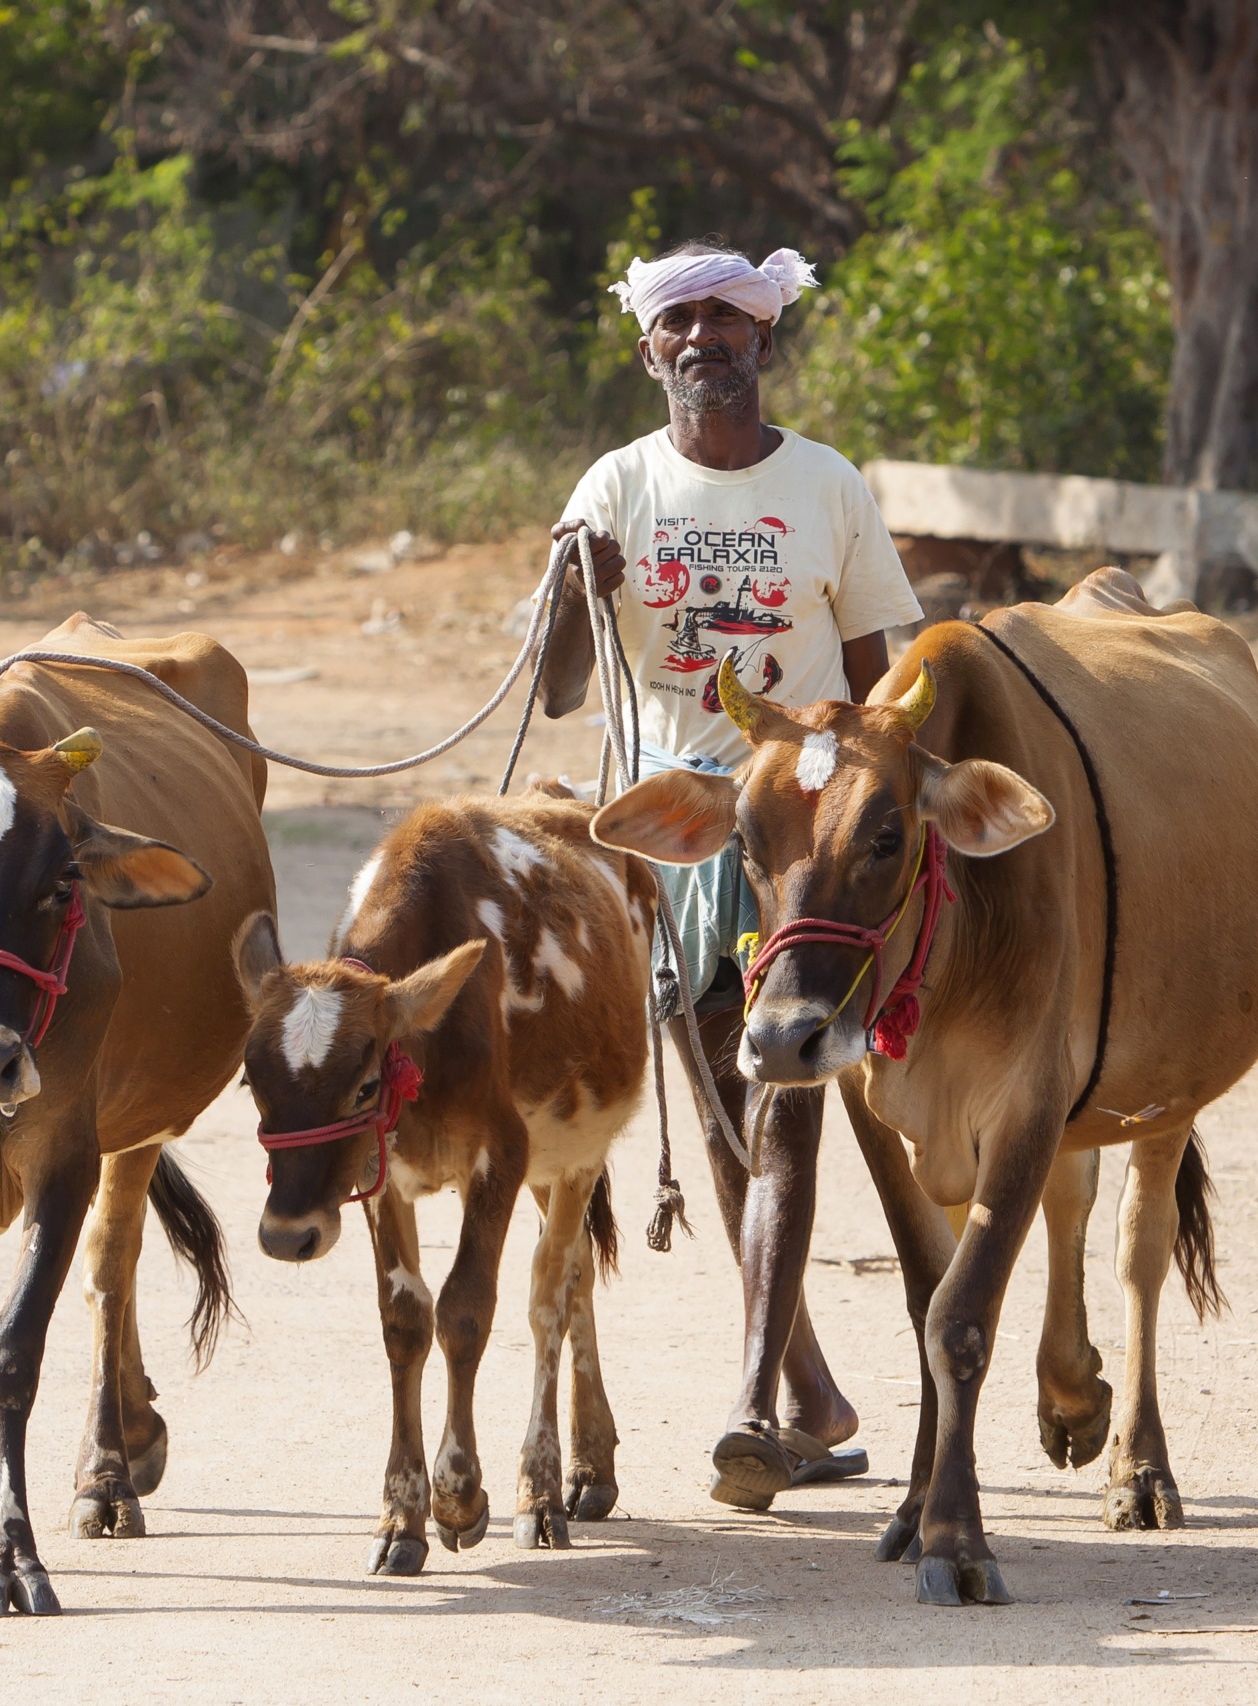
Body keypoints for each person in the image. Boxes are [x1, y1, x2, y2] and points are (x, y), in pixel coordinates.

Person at [539, 237, 921, 1510]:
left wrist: (881, 837)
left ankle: (760, 1400)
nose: (702, 336)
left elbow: (884, 685)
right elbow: (553, 691)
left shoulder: (825, 486)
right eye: (678, 321)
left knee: (783, 1096)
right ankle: (808, 1394)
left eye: (726, 318)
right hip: (676, 828)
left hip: (801, 832)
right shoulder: (615, 485)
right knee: (720, 1108)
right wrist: (567, 590)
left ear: (765, 340)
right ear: (649, 349)